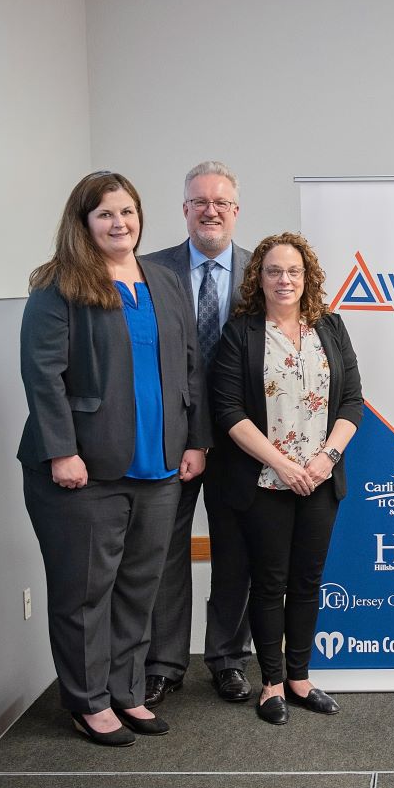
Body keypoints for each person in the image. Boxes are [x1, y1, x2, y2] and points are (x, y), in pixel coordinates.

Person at [18, 171, 210, 746]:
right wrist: (62, 451)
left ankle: (126, 692)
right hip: (83, 470)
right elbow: (43, 375)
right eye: (105, 214)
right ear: (83, 222)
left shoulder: (165, 279)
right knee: (84, 592)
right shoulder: (59, 284)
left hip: (159, 466)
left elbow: (191, 365)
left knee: (138, 587)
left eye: (128, 211)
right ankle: (86, 700)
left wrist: (195, 441)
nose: (120, 223)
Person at [211, 232, 363, 725]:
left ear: (307, 277)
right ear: (259, 277)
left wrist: (326, 459)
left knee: (307, 581)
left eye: (293, 271)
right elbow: (229, 410)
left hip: (321, 478)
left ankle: (300, 677)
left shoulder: (331, 327)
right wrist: (280, 463)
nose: (284, 279)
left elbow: (352, 401)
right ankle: (271, 684)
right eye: (274, 271)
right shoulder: (241, 333)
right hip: (264, 481)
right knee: (269, 581)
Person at [143, 161, 253, 707]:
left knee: (237, 551)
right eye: (199, 202)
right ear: (184, 208)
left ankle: (228, 658)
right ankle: (164, 663)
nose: (210, 211)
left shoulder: (264, 271)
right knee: (164, 550)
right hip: (170, 436)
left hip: (243, 440)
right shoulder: (148, 270)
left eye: (221, 203)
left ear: (236, 210)